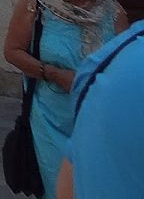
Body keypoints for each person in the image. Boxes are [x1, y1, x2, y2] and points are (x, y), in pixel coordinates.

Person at [1, 0, 125, 198]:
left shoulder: (111, 9)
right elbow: (13, 51)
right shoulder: (36, 3)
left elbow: (124, 62)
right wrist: (54, 74)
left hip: (101, 117)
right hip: (52, 116)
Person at [57, 19, 144, 199]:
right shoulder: (105, 59)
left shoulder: (108, 57)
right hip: (55, 103)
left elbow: (67, 187)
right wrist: (50, 72)